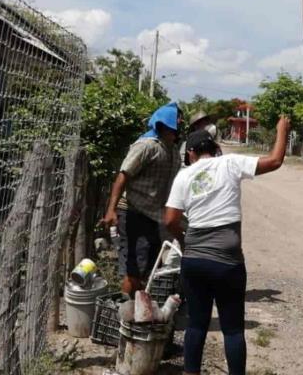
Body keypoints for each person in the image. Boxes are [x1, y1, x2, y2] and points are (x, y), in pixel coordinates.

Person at [164, 115, 291, 375]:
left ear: (190, 153)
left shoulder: (184, 176)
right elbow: (275, 161)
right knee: (232, 329)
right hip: (228, 262)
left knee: (196, 324)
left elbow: (170, 220)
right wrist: (282, 130)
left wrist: (184, 240)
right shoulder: (230, 164)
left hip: (195, 262)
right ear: (214, 149)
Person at [101, 102, 182, 294]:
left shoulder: (171, 149)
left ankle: (139, 310)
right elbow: (123, 176)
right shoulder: (146, 146)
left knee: (150, 265)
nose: (180, 124)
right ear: (166, 125)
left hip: (154, 214)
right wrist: (111, 210)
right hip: (133, 211)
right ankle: (126, 312)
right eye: (177, 121)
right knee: (134, 269)